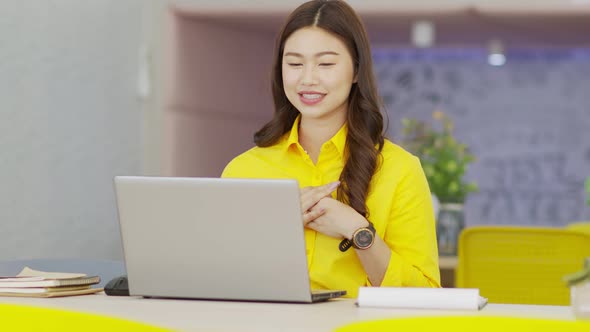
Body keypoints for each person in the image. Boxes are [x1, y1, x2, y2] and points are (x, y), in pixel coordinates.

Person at [222, 0, 440, 297]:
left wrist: (357, 230)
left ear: (355, 71)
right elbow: (222, 283)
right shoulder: (244, 170)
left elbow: (427, 296)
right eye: (295, 63)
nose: (308, 79)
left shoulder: (399, 169)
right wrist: (276, 226)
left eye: (326, 63)